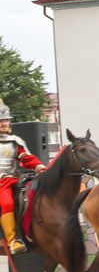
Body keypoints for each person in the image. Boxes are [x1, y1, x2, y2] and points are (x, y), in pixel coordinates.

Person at [0, 100, 44, 254]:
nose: (3, 123)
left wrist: (39, 166)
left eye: (5, 120)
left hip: (13, 179)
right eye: (0, 120)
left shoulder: (15, 141)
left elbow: (27, 158)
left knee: (32, 195)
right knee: (6, 203)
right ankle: (13, 241)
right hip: (0, 183)